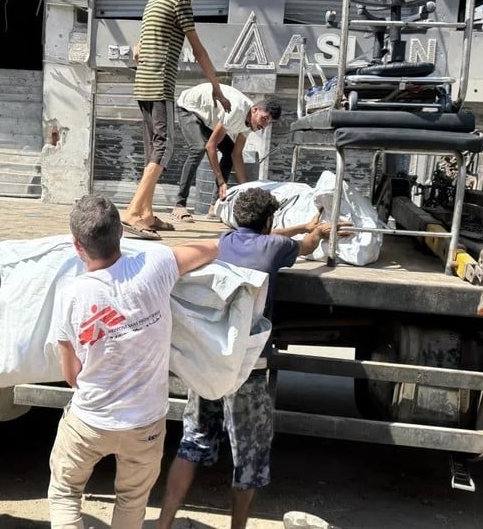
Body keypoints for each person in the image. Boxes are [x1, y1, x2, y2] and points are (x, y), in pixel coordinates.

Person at [158, 188, 337, 529]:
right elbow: (307, 246)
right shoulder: (275, 248)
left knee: (192, 441)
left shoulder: (223, 242)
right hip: (248, 368)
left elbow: (265, 235)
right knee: (248, 455)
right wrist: (316, 232)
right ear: (269, 221)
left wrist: (299, 226)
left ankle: (164, 522)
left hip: (210, 360)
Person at [48, 194, 219, 528]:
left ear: (77, 246)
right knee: (132, 501)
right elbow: (207, 250)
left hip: (90, 421)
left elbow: (71, 375)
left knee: (65, 493)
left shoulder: (70, 295)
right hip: (145, 424)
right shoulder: (155, 265)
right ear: (121, 233)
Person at [122, 0, 232, 241]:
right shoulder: (180, 1)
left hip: (142, 84)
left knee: (153, 149)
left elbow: (139, 48)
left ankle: (147, 213)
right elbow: (198, 51)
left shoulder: (154, 0)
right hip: (160, 83)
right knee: (165, 146)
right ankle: (132, 212)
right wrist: (217, 88)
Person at [170, 85, 282, 223]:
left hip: (208, 118)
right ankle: (179, 205)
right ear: (255, 110)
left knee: (229, 151)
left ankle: (215, 206)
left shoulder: (251, 124)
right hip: (189, 108)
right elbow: (211, 146)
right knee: (198, 149)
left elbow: (236, 154)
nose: (264, 125)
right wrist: (221, 181)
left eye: (268, 123)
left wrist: (246, 190)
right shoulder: (237, 110)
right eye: (264, 118)